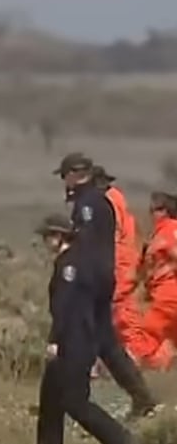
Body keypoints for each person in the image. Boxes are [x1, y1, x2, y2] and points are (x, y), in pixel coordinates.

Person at [55, 152, 157, 416]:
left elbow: (88, 245)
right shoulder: (103, 201)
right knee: (106, 343)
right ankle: (141, 397)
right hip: (104, 277)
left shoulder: (90, 204)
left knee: (80, 333)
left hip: (91, 280)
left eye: (66, 176)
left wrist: (76, 275)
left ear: (76, 174)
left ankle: (73, 399)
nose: (64, 183)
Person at [34, 213, 133, 444]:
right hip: (80, 338)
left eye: (47, 236)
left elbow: (65, 307)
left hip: (73, 341)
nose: (45, 242)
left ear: (58, 236)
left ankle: (122, 441)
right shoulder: (80, 261)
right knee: (51, 400)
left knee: (74, 401)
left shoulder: (69, 265)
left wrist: (55, 341)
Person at [94, 164, 149, 360]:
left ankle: (137, 357)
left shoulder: (109, 201)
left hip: (120, 264)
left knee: (123, 314)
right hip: (125, 262)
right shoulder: (117, 199)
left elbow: (114, 235)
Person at [134, 191, 177, 370]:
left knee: (147, 335)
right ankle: (161, 378)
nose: (151, 214)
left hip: (169, 295)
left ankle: (134, 374)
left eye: (155, 210)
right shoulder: (159, 234)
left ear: (165, 211)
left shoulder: (170, 231)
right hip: (161, 294)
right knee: (169, 342)